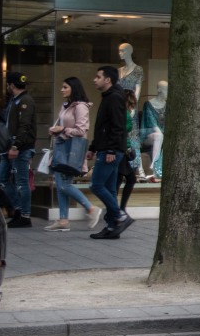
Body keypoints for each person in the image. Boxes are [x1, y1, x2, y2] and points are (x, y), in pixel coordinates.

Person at [45, 77, 97, 232]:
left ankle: (91, 208)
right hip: (62, 147)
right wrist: (56, 129)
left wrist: (62, 130)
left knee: (63, 184)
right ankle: (63, 220)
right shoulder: (66, 105)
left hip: (71, 149)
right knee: (60, 184)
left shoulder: (81, 106)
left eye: (65, 87)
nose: (62, 89)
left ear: (73, 88)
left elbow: (82, 130)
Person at [88, 65, 134, 239]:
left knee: (96, 185)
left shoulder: (114, 98)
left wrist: (111, 150)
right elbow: (102, 127)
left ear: (108, 80)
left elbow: (117, 126)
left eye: (98, 77)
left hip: (111, 151)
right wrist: (93, 147)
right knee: (109, 188)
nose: (95, 79)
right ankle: (112, 226)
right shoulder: (109, 96)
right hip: (108, 149)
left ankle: (120, 216)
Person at [0, 71, 37, 228]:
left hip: (20, 147)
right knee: (2, 179)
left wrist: (16, 146)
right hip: (9, 146)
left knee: (22, 182)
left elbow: (25, 125)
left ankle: (25, 215)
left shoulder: (25, 101)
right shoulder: (14, 100)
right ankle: (19, 209)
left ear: (11, 85)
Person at [114, 90, 139, 212]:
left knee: (118, 180)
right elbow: (123, 133)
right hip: (122, 149)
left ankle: (116, 208)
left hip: (119, 149)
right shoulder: (126, 114)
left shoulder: (120, 113)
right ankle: (120, 208)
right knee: (130, 179)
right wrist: (128, 147)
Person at [141, 80, 167, 180]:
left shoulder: (167, 105)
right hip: (149, 133)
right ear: (159, 90)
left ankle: (159, 170)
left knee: (163, 137)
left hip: (162, 133)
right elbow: (151, 122)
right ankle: (154, 166)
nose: (167, 92)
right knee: (159, 135)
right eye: (165, 89)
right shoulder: (148, 104)